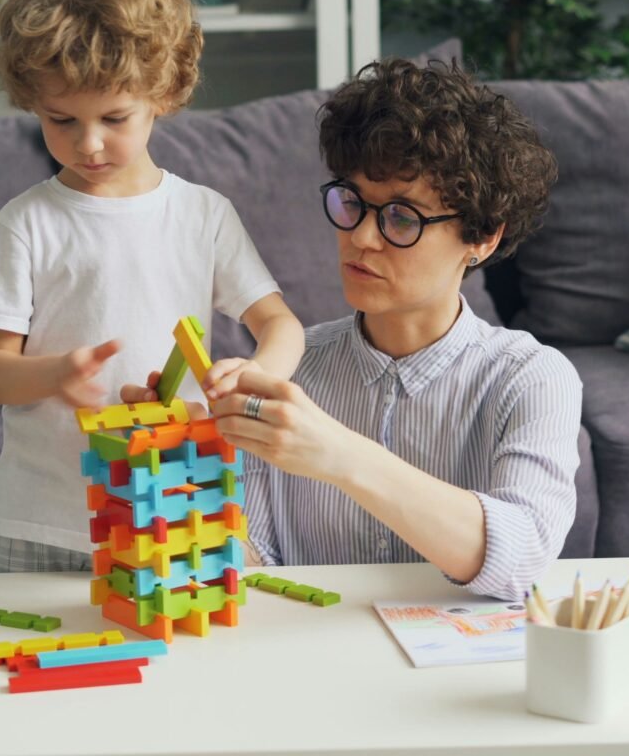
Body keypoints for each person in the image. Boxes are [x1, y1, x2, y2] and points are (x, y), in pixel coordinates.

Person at [0, 0, 305, 573]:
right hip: (49, 516)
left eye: (114, 118)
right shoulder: (22, 225)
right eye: (60, 120)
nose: (88, 143)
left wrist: (251, 380)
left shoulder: (203, 215)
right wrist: (55, 374)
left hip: (171, 503)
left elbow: (281, 325)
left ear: (164, 95)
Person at [205, 58, 580, 599]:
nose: (361, 238)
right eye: (353, 202)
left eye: (401, 217)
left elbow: (522, 558)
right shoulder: (290, 369)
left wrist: (341, 455)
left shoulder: (530, 378)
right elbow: (254, 558)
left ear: (482, 239)